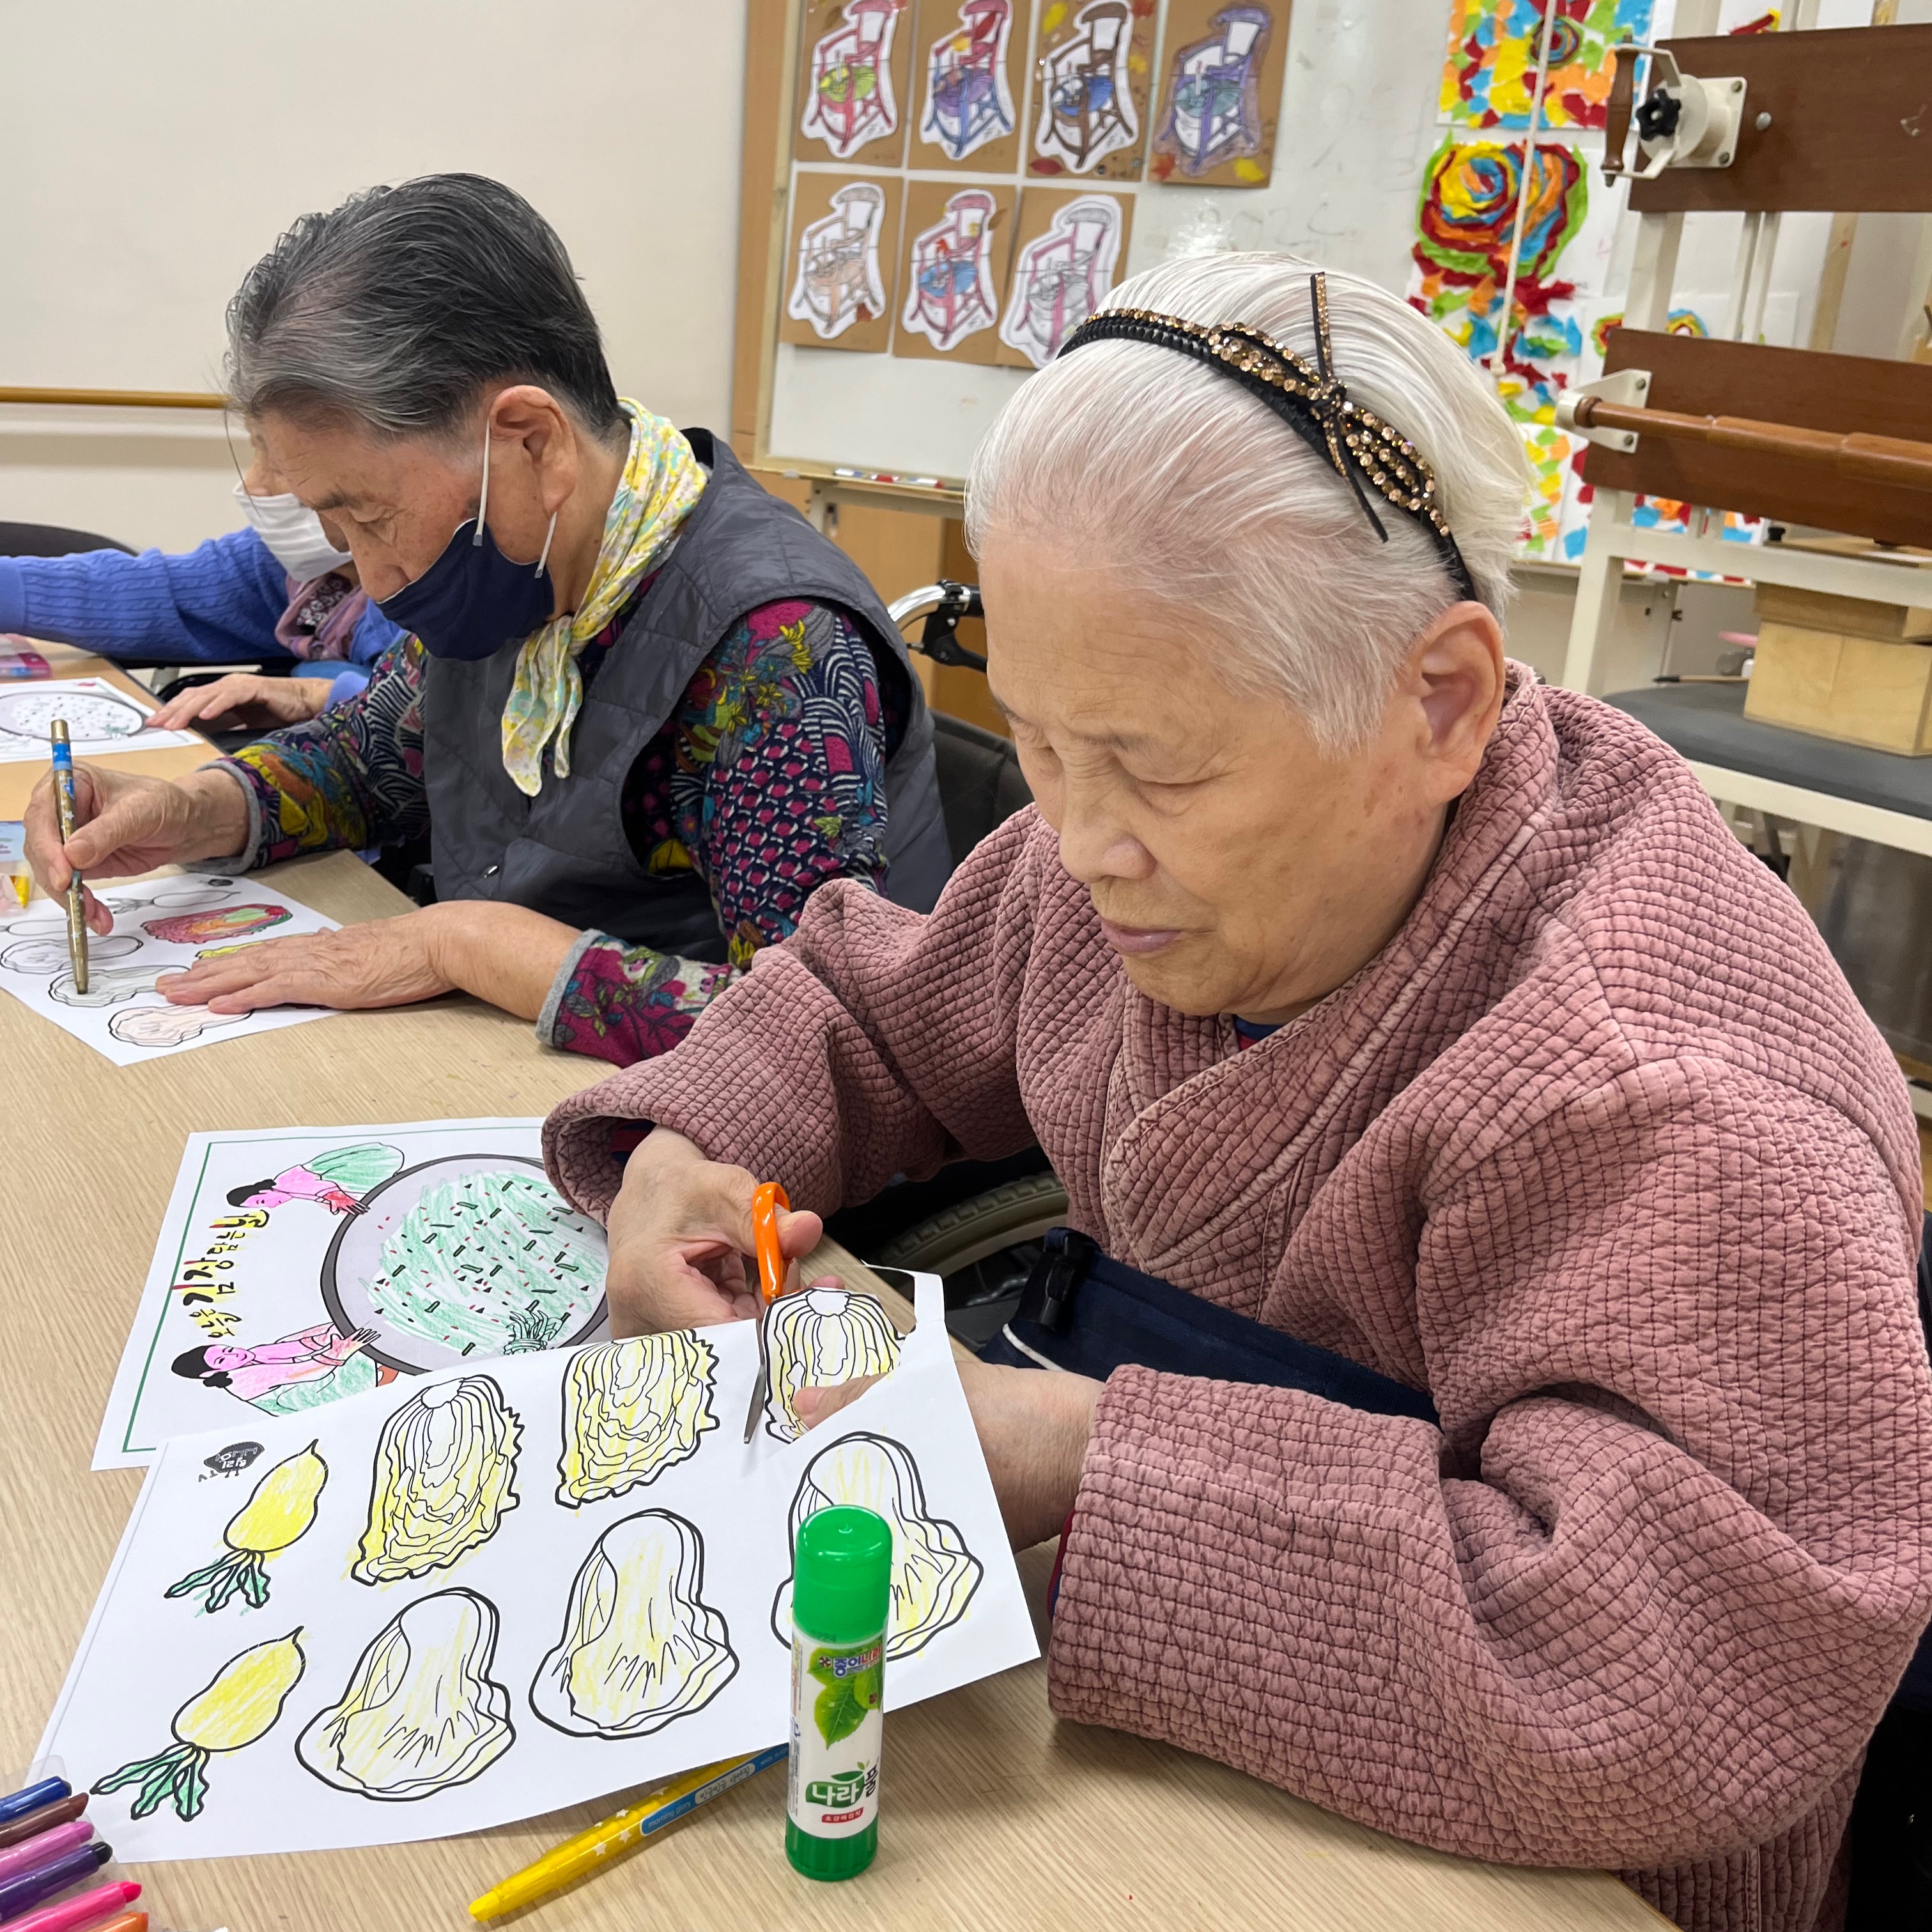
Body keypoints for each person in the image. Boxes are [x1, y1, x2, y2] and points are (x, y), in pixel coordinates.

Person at [542, 254, 1932, 1932]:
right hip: (1182, 1722)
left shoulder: (1662, 1081)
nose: (1075, 843)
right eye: (1036, 742)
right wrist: (685, 1153)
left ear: (1438, 701)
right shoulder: (1113, 859)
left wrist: (1073, 1451)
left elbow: (1666, 1664)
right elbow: (872, 1005)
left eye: (1155, 768)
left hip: (1546, 1856)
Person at [22, 175, 950, 1065]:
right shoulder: (527, 564)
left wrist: (466, 943)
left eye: (371, 519)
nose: (373, 579)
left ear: (532, 441)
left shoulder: (775, 641)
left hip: (713, 1149)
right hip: (519, 1067)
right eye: (337, 530)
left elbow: (814, 1030)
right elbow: (373, 759)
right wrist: (195, 809)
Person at [0, 447, 404, 725]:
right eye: (257, 450)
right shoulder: (289, 568)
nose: (254, 485)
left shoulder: (428, 592)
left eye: (280, 464)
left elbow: (426, 716)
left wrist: (314, 693)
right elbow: (156, 592)